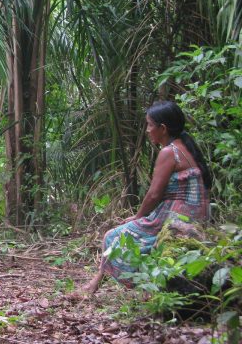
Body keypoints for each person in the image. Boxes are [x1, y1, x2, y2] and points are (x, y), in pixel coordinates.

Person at [71, 101, 212, 299]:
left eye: (149, 125)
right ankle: (113, 285)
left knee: (112, 236)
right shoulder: (186, 147)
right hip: (194, 214)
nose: (147, 130)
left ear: (162, 128)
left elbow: (154, 194)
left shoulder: (169, 152)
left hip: (177, 217)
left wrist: (136, 217)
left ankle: (95, 285)